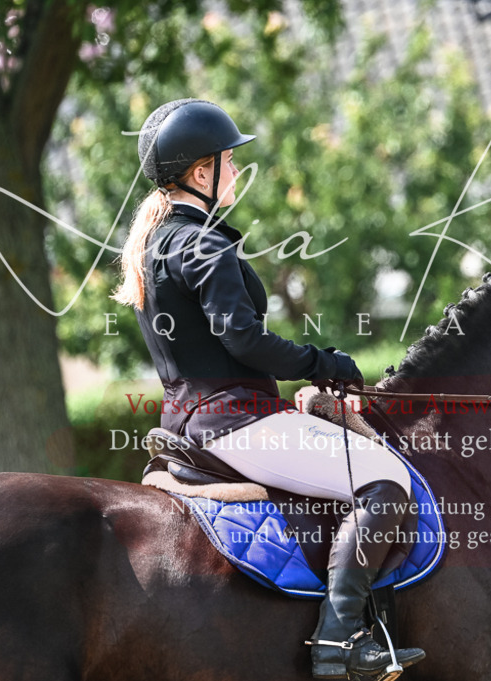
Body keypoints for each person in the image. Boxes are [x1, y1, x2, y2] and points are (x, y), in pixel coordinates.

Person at [113, 98, 425, 679]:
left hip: (189, 423)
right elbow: (245, 342)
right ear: (199, 172)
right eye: (228, 161)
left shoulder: (158, 244)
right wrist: (320, 361)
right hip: (238, 423)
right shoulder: (204, 244)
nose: (235, 172)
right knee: (386, 480)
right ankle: (339, 639)